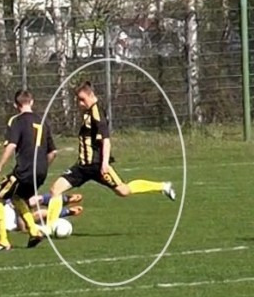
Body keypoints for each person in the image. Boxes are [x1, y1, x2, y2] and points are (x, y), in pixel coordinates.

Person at [44, 81, 175, 228]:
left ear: (91, 95)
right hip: (82, 167)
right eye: (78, 100)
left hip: (97, 166)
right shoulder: (88, 111)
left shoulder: (97, 113)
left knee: (123, 191)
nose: (80, 103)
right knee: (55, 189)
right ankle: (49, 228)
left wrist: (105, 163)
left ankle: (163, 186)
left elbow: (106, 140)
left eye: (82, 99)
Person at [0, 89, 57, 250]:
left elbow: (12, 145)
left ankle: (3, 241)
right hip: (41, 172)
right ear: (32, 102)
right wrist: (41, 167)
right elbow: (53, 152)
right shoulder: (43, 121)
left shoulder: (16, 121)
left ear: (15, 105)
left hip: (24, 171)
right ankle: (34, 232)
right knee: (17, 198)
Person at [0, 192, 83, 232]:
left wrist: (9, 199)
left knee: (35, 200)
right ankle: (67, 211)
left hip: (11, 206)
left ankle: (65, 199)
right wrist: (17, 209)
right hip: (18, 220)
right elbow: (22, 228)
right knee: (41, 213)